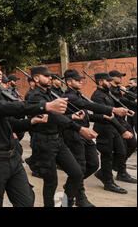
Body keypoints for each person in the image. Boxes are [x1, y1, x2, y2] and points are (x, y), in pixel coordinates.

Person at [0, 55, 66, 207]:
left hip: (13, 158)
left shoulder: (0, 94)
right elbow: (8, 108)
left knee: (26, 201)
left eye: (0, 69)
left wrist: (31, 122)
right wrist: (45, 106)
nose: (0, 72)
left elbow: (10, 124)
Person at [26, 65, 98, 207]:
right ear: (36, 78)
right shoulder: (34, 96)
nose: (50, 78)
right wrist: (79, 129)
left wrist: (72, 115)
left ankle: (67, 203)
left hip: (57, 140)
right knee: (51, 182)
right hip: (43, 142)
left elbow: (61, 115)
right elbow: (53, 117)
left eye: (50, 76)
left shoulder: (50, 94)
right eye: (46, 76)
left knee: (77, 173)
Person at [61, 69, 131, 206]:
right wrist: (112, 110)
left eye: (81, 79)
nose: (81, 81)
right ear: (69, 82)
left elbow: (87, 113)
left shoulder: (78, 95)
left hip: (86, 134)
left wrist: (101, 116)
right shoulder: (69, 96)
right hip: (74, 134)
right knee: (80, 167)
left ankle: (72, 184)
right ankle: (80, 198)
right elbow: (88, 105)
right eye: (77, 80)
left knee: (93, 164)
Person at [108, 70, 137, 184]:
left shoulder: (117, 89)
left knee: (131, 144)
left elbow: (122, 100)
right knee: (122, 148)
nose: (121, 78)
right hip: (114, 122)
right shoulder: (110, 90)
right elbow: (119, 101)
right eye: (118, 76)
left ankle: (117, 167)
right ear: (112, 78)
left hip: (122, 120)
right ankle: (121, 171)